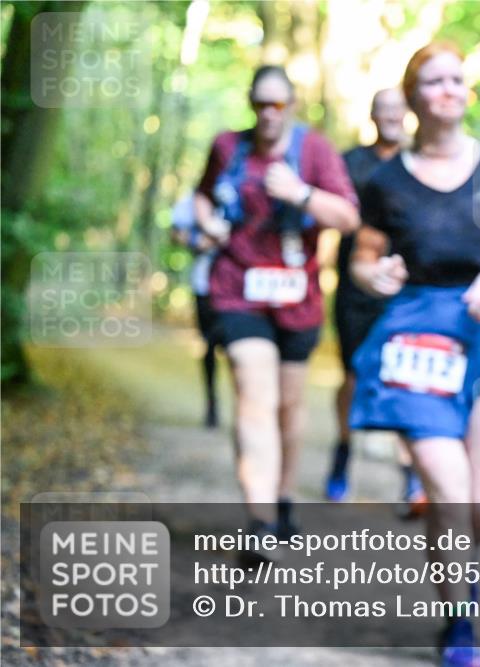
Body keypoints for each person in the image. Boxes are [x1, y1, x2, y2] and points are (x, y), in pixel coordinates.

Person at [348, 42, 480, 667]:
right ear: (413, 96)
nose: (449, 89)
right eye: (434, 81)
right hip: (417, 346)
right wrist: (375, 275)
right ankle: (460, 626)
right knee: (452, 494)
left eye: (457, 79)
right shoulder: (386, 180)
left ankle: (452, 551)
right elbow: (362, 260)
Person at [194, 65, 360, 550]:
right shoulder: (228, 146)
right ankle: (260, 519)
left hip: (296, 298)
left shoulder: (315, 151)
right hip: (237, 290)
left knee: (288, 407)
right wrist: (210, 225)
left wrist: (301, 193)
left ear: (292, 105)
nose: (269, 113)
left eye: (279, 104)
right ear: (251, 104)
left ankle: (283, 496)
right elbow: (201, 196)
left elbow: (348, 218)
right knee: (254, 396)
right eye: (261, 103)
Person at [326, 88, 427, 515]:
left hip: (409, 289)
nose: (390, 117)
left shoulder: (422, 161)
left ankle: (411, 474)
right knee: (353, 376)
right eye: (383, 110)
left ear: (407, 115)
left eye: (397, 110)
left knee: (406, 379)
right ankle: (343, 450)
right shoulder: (349, 163)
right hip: (357, 289)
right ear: (371, 116)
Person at [170, 194, 223, 428]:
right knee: (209, 345)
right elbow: (175, 233)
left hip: (242, 291)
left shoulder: (248, 184)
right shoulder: (191, 200)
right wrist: (198, 241)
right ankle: (211, 403)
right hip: (205, 286)